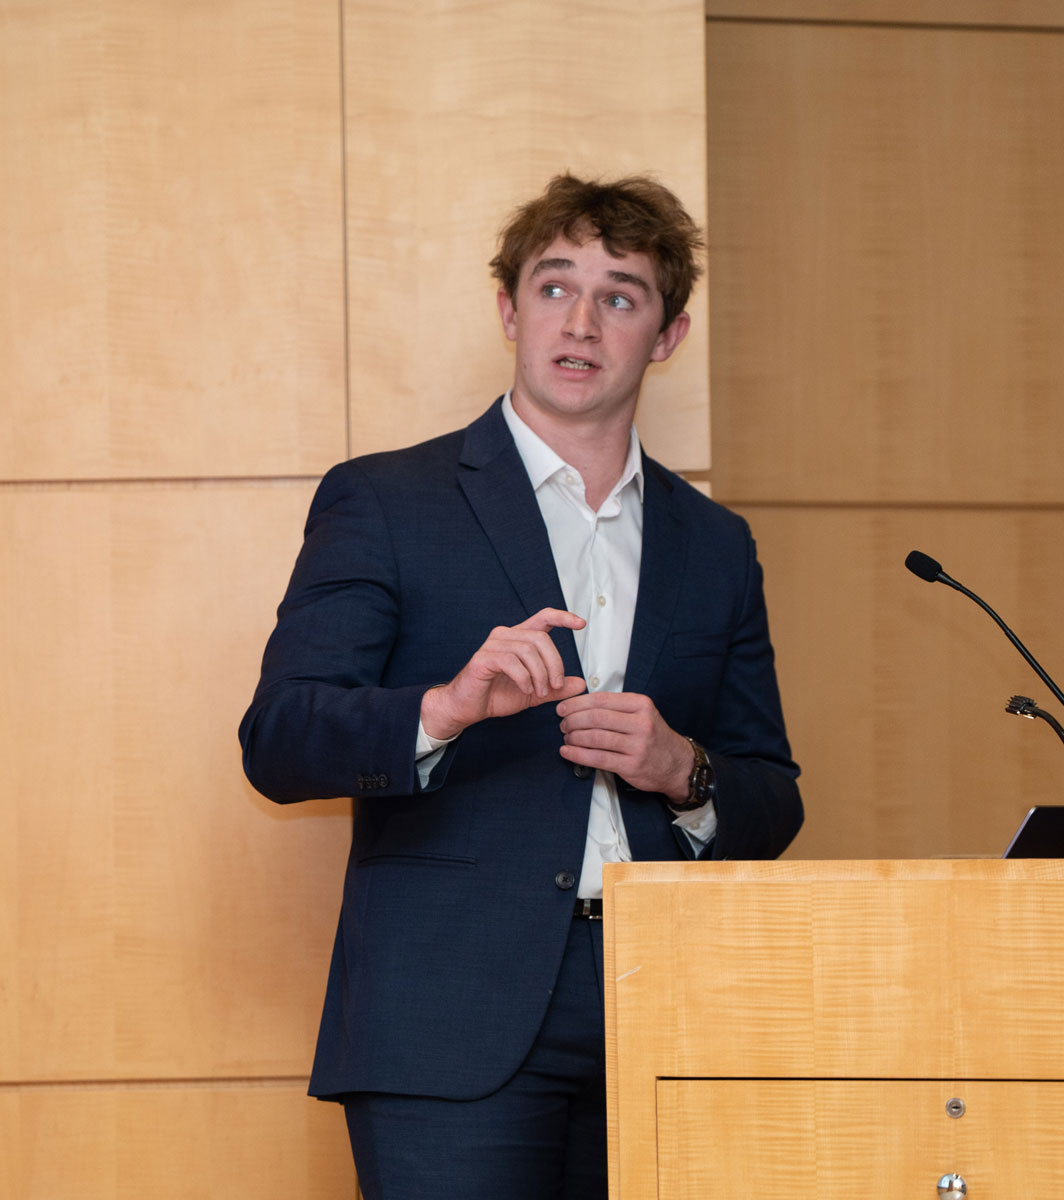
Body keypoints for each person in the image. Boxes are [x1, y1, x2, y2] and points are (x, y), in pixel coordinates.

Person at [239, 173, 803, 1200]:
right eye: (555, 288)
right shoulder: (387, 500)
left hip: (667, 1014)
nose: (582, 322)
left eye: (621, 296)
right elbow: (279, 740)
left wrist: (686, 770)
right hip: (446, 1019)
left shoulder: (715, 546)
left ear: (667, 335)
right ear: (509, 310)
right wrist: (442, 710)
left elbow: (772, 794)